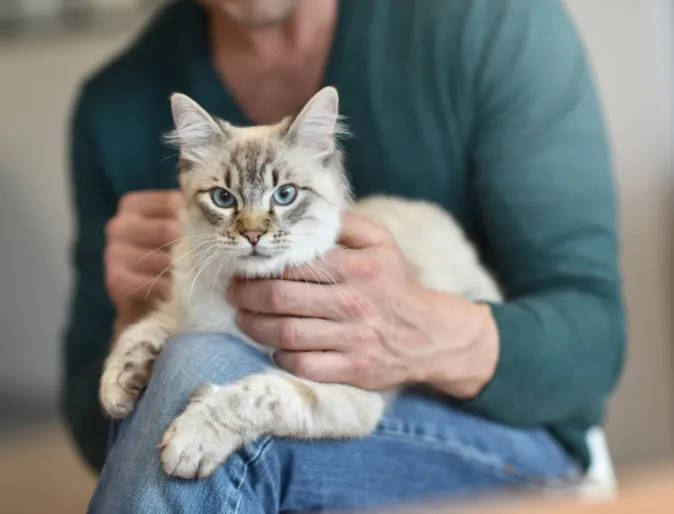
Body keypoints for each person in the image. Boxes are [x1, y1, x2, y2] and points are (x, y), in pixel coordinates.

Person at [62, 0, 626, 512]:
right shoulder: (117, 105)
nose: (254, 228)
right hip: (253, 406)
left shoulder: (491, 21)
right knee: (192, 362)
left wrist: (421, 333)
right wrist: (138, 316)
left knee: (198, 367)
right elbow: (102, 434)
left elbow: (595, 342)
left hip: (498, 429)